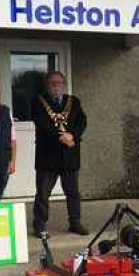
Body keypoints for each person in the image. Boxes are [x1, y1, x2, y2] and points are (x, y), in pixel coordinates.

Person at [31, 71, 88, 237]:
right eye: (52, 83)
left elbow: (82, 122)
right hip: (47, 156)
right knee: (43, 193)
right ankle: (39, 225)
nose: (56, 86)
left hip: (70, 155)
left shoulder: (74, 101)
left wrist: (73, 136)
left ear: (63, 84)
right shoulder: (38, 101)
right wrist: (61, 137)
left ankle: (75, 222)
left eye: (59, 83)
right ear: (47, 85)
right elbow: (41, 123)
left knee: (73, 192)